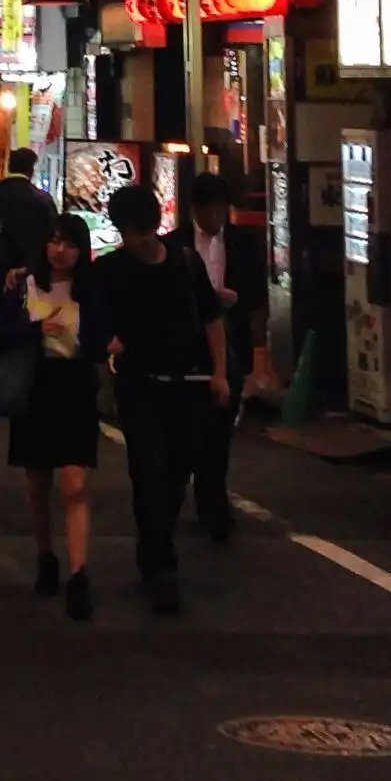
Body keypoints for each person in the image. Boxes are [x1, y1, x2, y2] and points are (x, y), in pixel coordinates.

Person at [86, 183, 229, 614]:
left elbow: (211, 319)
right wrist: (108, 354)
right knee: (148, 472)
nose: (138, 240)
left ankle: (155, 545)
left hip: (188, 384)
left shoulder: (184, 263)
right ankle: (160, 567)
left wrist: (220, 373)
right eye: (130, 232)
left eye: (144, 230)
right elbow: (94, 325)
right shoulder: (110, 270)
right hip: (140, 386)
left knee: (176, 475)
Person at [1, 215, 102, 621]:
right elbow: (2, 331)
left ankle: (80, 575)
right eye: (55, 242)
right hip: (35, 387)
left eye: (70, 244)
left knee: (75, 482)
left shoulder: (92, 288)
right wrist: (36, 327)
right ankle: (46, 556)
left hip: (75, 386)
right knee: (38, 482)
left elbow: (101, 332)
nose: (60, 250)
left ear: (82, 250)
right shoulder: (24, 284)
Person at [183, 172, 246, 543]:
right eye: (211, 212)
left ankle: (214, 503)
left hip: (228, 339)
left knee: (220, 428)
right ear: (196, 210)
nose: (217, 219)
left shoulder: (239, 244)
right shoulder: (176, 245)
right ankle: (191, 494)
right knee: (189, 426)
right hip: (187, 342)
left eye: (222, 212)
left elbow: (253, 298)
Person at [0, 147, 56, 347]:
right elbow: (51, 236)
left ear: (8, 166)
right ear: (31, 170)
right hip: (31, 277)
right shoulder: (41, 200)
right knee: (30, 331)